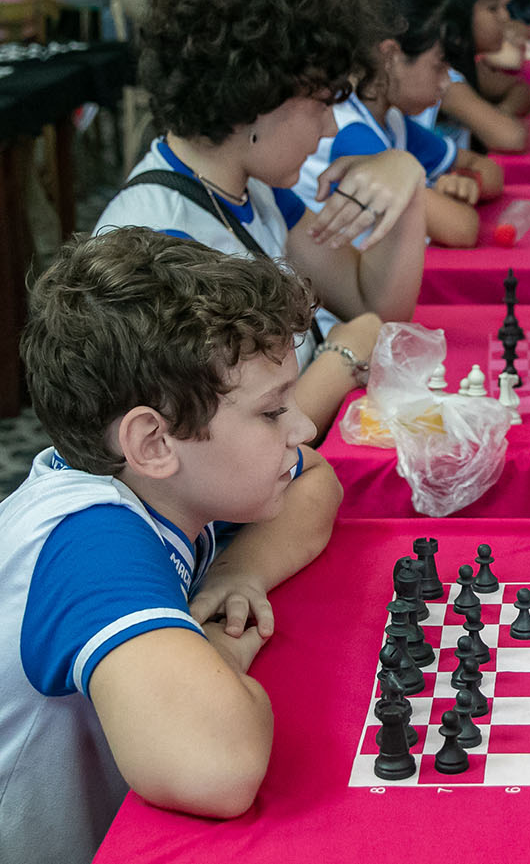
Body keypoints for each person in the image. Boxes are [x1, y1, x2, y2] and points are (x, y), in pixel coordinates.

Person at [0, 227, 343, 862]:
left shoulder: (173, 482)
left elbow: (319, 480)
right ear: (153, 443)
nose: (304, 425)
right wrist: (218, 655)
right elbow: (217, 766)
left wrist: (239, 571)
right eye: (272, 412)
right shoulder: (89, 540)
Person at [95, 0, 430, 440]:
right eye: (321, 103)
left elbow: (373, 306)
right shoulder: (161, 242)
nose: (330, 127)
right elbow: (235, 440)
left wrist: (406, 178)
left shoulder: (252, 190)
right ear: (255, 95)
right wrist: (342, 356)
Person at [293, 0, 504, 250]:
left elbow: (488, 171)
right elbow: (462, 228)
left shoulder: (389, 119)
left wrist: (465, 184)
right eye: (439, 65)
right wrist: (445, 197)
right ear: (390, 55)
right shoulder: (347, 131)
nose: (445, 83)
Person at [415, 0, 530, 153]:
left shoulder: (467, 64)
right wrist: (493, 119)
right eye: (493, 8)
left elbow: (522, 89)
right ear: (459, 15)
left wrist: (498, 112)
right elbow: (513, 138)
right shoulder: (444, 80)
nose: (504, 16)